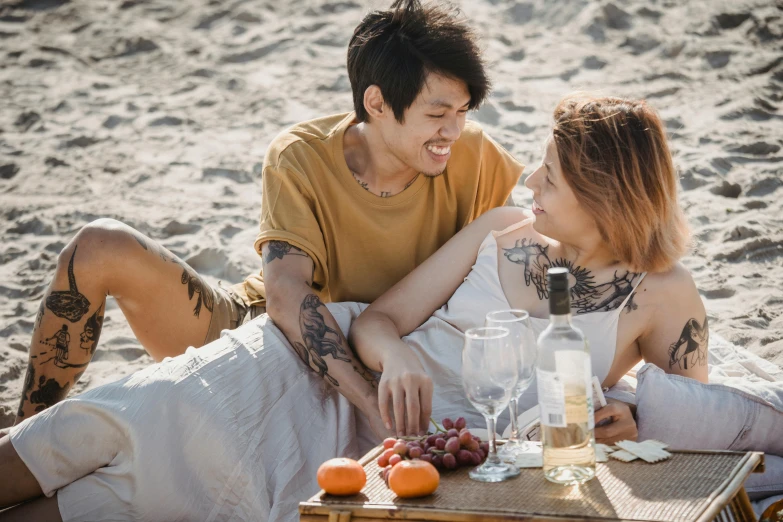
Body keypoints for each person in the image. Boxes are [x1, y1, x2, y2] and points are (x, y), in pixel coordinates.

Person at [0, 94, 707, 521]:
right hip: (327, 376)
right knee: (122, 420)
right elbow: (376, 320)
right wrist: (396, 353)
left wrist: (636, 416)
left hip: (423, 452)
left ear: (603, 195)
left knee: (113, 501)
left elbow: (696, 427)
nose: (527, 180)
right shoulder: (501, 230)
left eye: (549, 176)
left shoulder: (663, 293)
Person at [6, 0, 523, 437]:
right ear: (378, 103)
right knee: (100, 246)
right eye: (437, 114)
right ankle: (25, 433)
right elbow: (284, 294)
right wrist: (371, 405)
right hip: (264, 336)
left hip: (392, 349)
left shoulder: (476, 156)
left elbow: (537, 252)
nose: (453, 131)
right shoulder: (301, 155)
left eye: (463, 111)